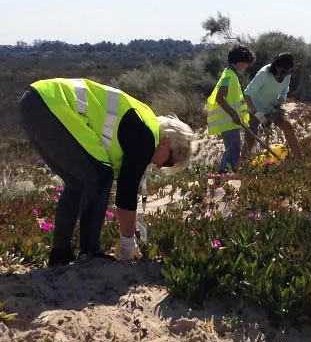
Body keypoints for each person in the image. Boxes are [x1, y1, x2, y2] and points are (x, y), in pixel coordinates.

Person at [20, 78, 193, 266]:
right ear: (166, 142)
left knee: (79, 183)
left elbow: (126, 189)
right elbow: (126, 194)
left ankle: (61, 253)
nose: (160, 166)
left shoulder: (143, 124)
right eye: (168, 161)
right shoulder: (147, 137)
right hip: (50, 105)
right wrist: (128, 242)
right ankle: (90, 252)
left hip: (34, 103)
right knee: (101, 175)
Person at [243, 52, 302, 161]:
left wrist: (281, 99)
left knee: (288, 128)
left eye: (289, 72)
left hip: (271, 108)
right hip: (254, 108)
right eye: (283, 72)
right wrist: (256, 113)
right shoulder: (264, 75)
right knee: (250, 139)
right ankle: (242, 166)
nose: (284, 75)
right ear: (277, 66)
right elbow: (247, 93)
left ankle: (300, 162)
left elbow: (285, 89)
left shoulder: (287, 74)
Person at [206, 45, 253, 173]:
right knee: (233, 148)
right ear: (239, 62)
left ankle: (228, 173)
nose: (246, 66)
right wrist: (233, 114)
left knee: (233, 148)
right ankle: (224, 174)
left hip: (231, 121)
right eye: (245, 63)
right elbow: (219, 98)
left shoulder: (231, 74)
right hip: (229, 120)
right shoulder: (229, 75)